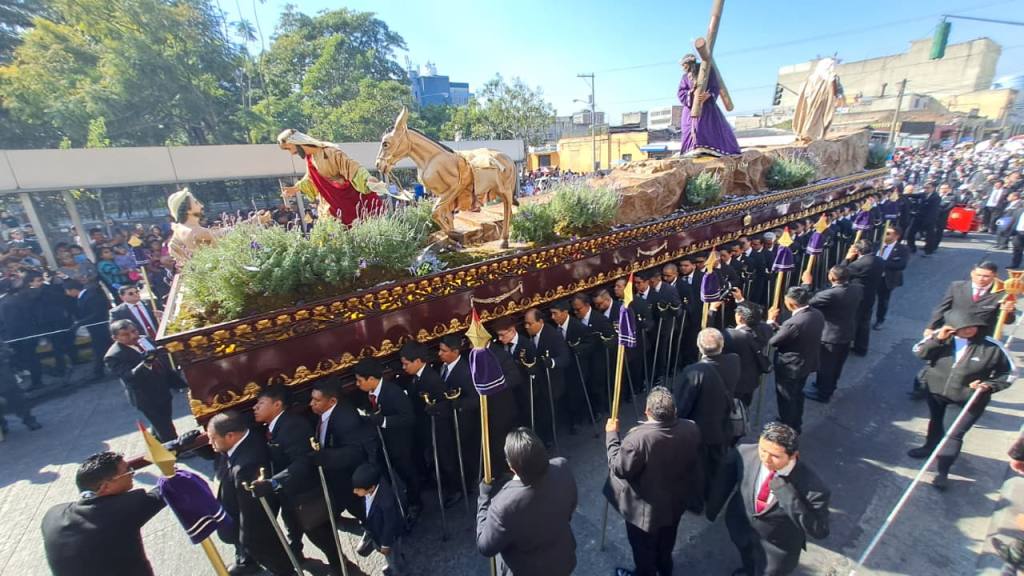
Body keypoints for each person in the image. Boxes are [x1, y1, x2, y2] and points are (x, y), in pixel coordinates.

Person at [908, 310, 1015, 489]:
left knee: (953, 434)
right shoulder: (941, 338)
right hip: (936, 392)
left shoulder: (991, 347)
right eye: (963, 328)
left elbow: (1009, 373)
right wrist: (938, 340)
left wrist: (989, 385)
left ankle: (942, 471)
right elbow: (919, 352)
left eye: (971, 327)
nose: (968, 331)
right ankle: (929, 447)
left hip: (967, 400)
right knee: (936, 422)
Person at [706, 422, 830, 576]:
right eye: (763, 450)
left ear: (793, 455)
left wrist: (785, 492)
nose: (766, 459)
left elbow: (819, 530)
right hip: (742, 528)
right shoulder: (744, 453)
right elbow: (725, 481)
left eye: (775, 456)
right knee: (748, 559)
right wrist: (712, 510)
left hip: (778, 548)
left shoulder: (814, 486)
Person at [604, 387, 704, 576]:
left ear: (647, 412)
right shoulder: (691, 427)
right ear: (674, 411)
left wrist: (611, 436)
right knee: (666, 544)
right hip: (675, 503)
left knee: (643, 550)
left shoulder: (638, 439)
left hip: (645, 512)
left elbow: (619, 467)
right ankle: (665, 570)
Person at [248, 385, 343, 572]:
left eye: (260, 403)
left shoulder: (293, 427)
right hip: (289, 495)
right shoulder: (272, 427)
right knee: (293, 525)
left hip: (306, 495)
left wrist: (275, 482)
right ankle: (297, 552)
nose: (255, 408)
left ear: (277, 405)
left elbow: (302, 463)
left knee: (319, 535)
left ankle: (340, 566)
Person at [41, 452, 165, 576]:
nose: (132, 473)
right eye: (128, 471)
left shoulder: (52, 515)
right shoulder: (124, 509)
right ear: (105, 486)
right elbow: (166, 487)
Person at [476, 427, 578, 576]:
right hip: (563, 559)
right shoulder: (562, 466)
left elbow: (485, 546)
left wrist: (483, 499)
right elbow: (570, 507)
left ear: (512, 468)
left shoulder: (503, 505)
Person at [206, 411, 296, 575]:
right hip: (240, 515)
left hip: (255, 530)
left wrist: (245, 541)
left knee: (277, 563)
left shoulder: (246, 466)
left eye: (213, 439)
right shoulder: (244, 439)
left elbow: (250, 512)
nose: (210, 443)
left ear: (230, 436)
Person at [353, 358, 421, 521]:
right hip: (382, 444)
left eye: (359, 380)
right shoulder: (367, 394)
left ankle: (415, 503)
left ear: (371, 379)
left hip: (399, 443)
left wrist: (384, 421)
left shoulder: (393, 392)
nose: (357, 384)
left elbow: (409, 418)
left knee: (408, 473)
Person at [398, 342, 462, 509]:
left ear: (418, 361)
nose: (403, 367)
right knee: (435, 458)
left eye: (406, 363)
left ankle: (455, 489)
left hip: (439, 427)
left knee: (445, 458)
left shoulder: (432, 379)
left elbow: (445, 404)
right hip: (425, 425)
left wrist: (436, 408)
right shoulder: (415, 377)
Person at [278, 129, 385, 225]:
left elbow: (351, 166)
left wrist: (367, 179)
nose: (291, 153)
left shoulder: (330, 152)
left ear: (296, 141)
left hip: (350, 200)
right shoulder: (310, 159)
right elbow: (311, 179)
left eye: (289, 148)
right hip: (331, 203)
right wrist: (295, 188)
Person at [309, 379, 380, 523]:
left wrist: (325, 457)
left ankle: (372, 527)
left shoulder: (346, 420)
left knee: (357, 505)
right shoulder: (327, 411)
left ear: (332, 401)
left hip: (349, 474)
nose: (312, 403)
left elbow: (354, 452)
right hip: (337, 472)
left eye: (316, 400)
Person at [673, 328, 733, 491]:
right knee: (715, 463)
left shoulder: (695, 371)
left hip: (700, 427)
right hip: (722, 422)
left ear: (699, 347)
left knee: (698, 468)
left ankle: (699, 498)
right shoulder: (734, 360)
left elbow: (682, 404)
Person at [103, 319, 180, 442]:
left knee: (164, 419)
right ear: (115, 338)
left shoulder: (144, 339)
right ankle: (176, 447)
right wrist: (146, 363)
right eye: (126, 335)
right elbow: (129, 377)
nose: (133, 336)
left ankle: (157, 441)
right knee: (164, 426)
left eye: (134, 331)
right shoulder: (113, 356)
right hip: (145, 396)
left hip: (162, 388)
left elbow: (159, 358)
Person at [766, 287, 825, 433]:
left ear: (792, 304)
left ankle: (788, 426)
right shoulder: (816, 313)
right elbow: (791, 334)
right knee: (798, 394)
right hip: (806, 362)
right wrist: (778, 327)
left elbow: (774, 342)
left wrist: (769, 322)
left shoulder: (794, 323)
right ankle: (796, 422)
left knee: (786, 397)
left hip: (790, 367)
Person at [801, 266, 862, 403]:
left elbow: (806, 302)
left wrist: (806, 284)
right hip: (846, 332)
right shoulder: (856, 289)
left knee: (826, 366)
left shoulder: (830, 295)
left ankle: (823, 394)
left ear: (832, 278)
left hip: (831, 336)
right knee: (837, 364)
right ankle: (827, 385)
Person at [437, 334, 481, 492]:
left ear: (455, 352)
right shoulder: (443, 367)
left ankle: (475, 482)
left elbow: (476, 399)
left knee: (468, 453)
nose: (439, 354)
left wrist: (458, 404)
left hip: (465, 423)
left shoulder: (465, 372)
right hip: (451, 421)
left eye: (443, 350)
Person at [927, 261, 1015, 338]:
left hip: (981, 336)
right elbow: (942, 308)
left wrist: (1008, 312)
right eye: (978, 275)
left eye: (986, 276)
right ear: (972, 273)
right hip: (954, 331)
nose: (981, 279)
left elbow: (1008, 321)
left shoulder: (1002, 294)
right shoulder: (957, 286)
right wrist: (931, 327)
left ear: (995, 276)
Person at [677, 54, 741, 156]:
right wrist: (691, 93)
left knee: (707, 125)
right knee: (690, 127)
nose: (682, 67)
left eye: (683, 65)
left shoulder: (706, 70)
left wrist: (709, 94)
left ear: (688, 64)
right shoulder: (685, 77)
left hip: (707, 106)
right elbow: (681, 93)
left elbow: (714, 85)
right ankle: (692, 148)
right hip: (690, 108)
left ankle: (711, 148)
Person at [523, 307, 570, 445]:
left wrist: (552, 362)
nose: (526, 326)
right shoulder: (529, 336)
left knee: (547, 412)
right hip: (538, 382)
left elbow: (565, 358)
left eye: (529, 323)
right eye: (525, 323)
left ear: (540, 322)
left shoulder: (553, 336)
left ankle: (549, 439)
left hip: (551, 382)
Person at [353, 463, 405, 576]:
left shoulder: (386, 502)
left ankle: (398, 571)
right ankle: (393, 565)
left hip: (390, 538)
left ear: (371, 487)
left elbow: (390, 524)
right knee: (391, 557)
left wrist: (385, 544)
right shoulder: (372, 488)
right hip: (379, 531)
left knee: (393, 557)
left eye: (358, 489)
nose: (355, 492)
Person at [726, 302, 773, 407]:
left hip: (736, 381)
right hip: (751, 378)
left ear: (740, 318)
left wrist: (712, 311)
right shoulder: (765, 329)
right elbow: (766, 325)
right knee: (745, 406)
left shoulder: (732, 335)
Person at [842, 239, 884, 356]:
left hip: (857, 296)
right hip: (870, 295)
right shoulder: (879, 260)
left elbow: (840, 272)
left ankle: (846, 345)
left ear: (858, 251)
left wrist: (847, 258)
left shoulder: (858, 264)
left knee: (853, 321)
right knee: (864, 322)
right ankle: (861, 347)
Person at [63, 279, 111, 380]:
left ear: (73, 290)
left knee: (99, 349)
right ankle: (99, 370)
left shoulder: (91, 296)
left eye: (67, 290)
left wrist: (80, 323)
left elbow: (97, 313)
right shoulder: (84, 297)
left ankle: (98, 371)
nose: (66, 293)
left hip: (100, 327)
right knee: (101, 348)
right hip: (95, 328)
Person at [873, 226, 910, 330]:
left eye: (889, 233)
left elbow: (901, 265)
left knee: (883, 301)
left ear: (896, 236)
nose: (885, 235)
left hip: (886, 279)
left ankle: (880, 320)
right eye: (885, 232)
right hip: (873, 277)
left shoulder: (902, 249)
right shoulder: (876, 245)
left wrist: (881, 263)